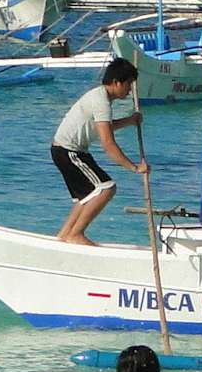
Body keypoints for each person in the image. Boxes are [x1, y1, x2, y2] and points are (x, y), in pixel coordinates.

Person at [52, 56, 144, 244]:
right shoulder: (101, 101)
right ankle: (76, 234)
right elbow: (108, 144)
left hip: (65, 150)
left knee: (86, 197)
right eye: (128, 84)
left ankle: (64, 236)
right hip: (69, 151)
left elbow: (103, 127)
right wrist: (135, 168)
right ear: (116, 82)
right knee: (106, 188)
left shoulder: (100, 97)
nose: (129, 90)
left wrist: (129, 121)